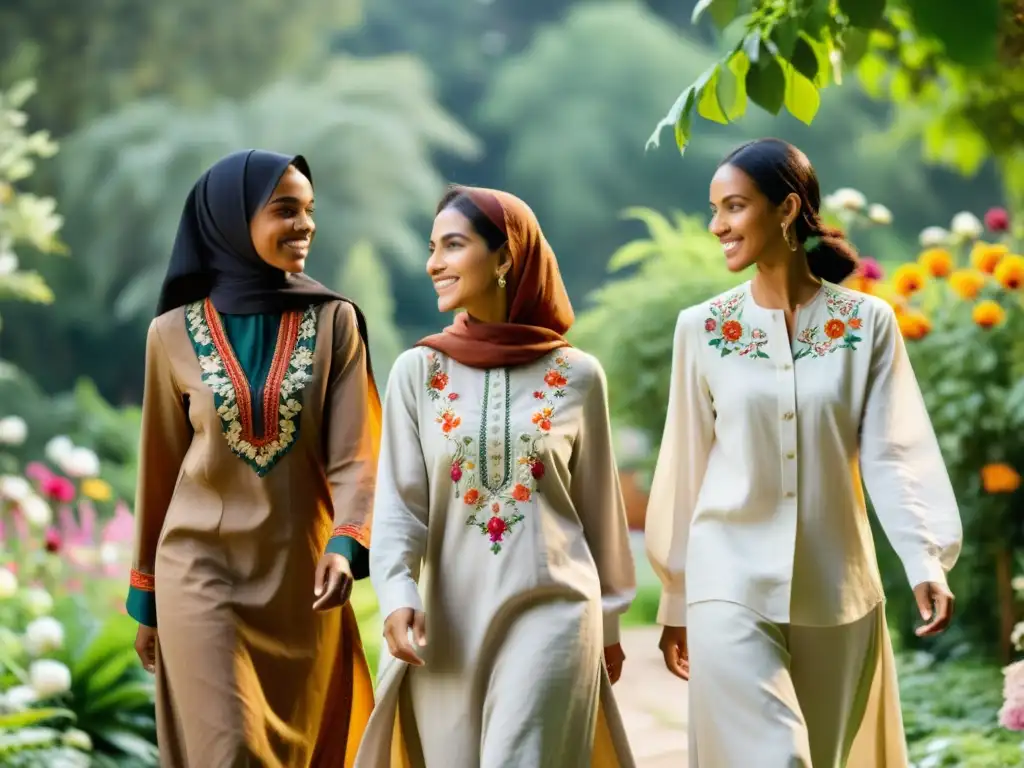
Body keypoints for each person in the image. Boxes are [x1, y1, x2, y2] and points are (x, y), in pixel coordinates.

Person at [645, 138, 963, 767]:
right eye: (714, 210)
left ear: (786, 209)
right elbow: (685, 467)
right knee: (776, 758)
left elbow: (892, 452)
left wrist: (925, 558)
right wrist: (677, 597)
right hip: (727, 582)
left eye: (733, 207)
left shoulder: (866, 324)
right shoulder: (701, 330)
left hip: (836, 586)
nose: (718, 226)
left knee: (820, 759)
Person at [354, 186, 637, 768]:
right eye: (432, 247)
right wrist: (398, 596)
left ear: (505, 256)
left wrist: (607, 625)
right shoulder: (418, 371)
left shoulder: (578, 375)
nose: (434, 263)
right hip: (446, 628)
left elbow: (601, 515)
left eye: (453, 246)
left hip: (554, 617)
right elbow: (399, 507)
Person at [126, 149, 381, 768]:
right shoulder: (171, 334)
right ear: (232, 221)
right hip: (201, 573)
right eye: (285, 210)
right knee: (231, 749)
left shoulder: (335, 322)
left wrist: (346, 542)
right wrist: (146, 596)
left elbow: (356, 454)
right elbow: (158, 470)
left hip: (303, 580)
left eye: (310, 211)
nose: (305, 225)